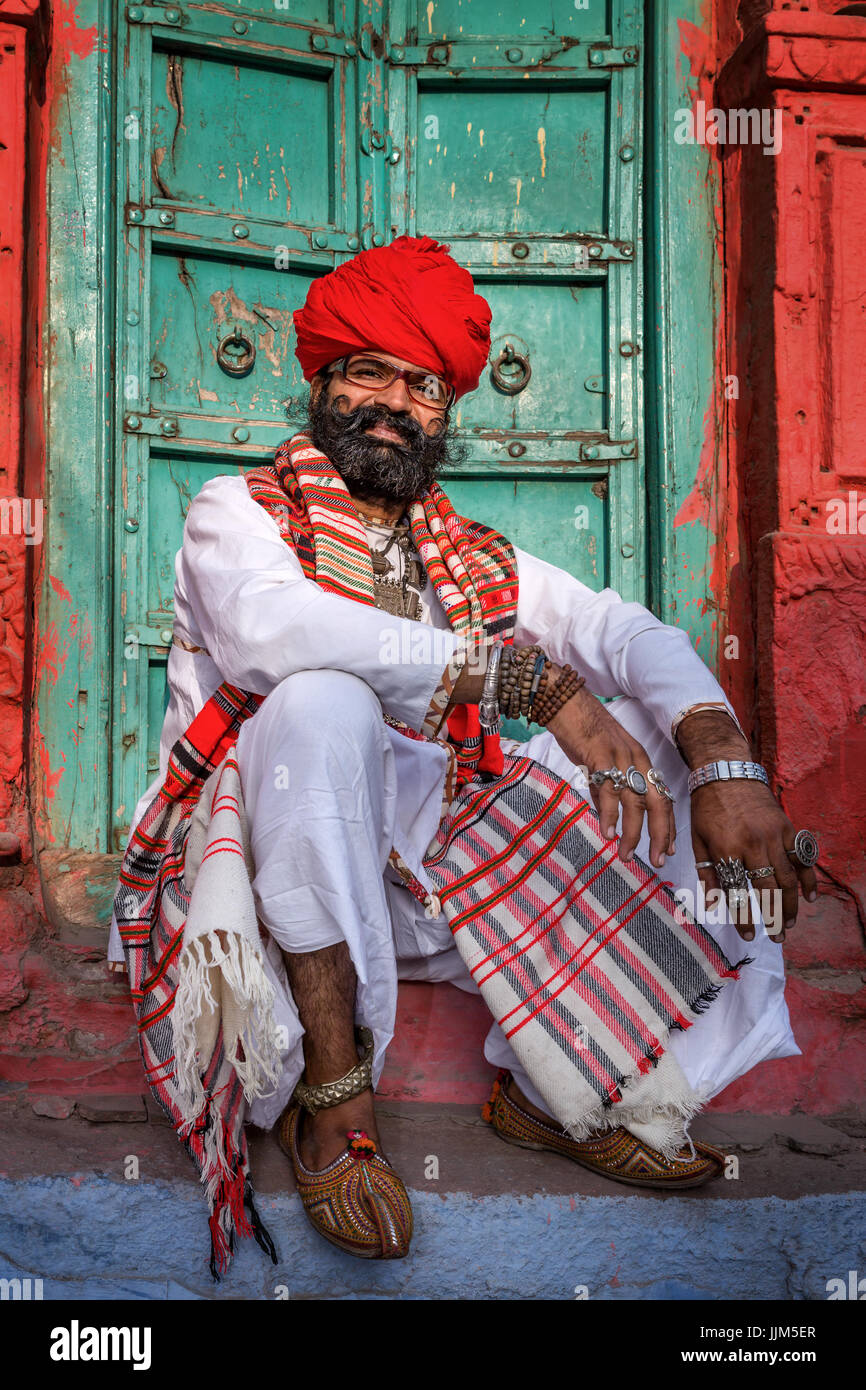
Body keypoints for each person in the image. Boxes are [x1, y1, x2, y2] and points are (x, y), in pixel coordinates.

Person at [110, 235, 816, 1269]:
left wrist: (722, 760)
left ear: (446, 413)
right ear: (322, 383)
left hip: (431, 877)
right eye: (369, 373)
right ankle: (332, 1100)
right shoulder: (239, 515)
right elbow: (274, 633)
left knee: (678, 765)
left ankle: (577, 1090)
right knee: (317, 703)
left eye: (423, 385)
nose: (394, 402)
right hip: (283, 882)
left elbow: (620, 631)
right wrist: (523, 682)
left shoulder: (468, 557)